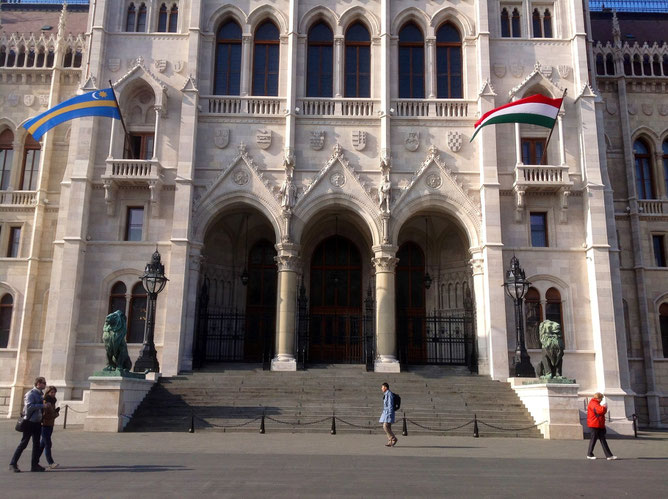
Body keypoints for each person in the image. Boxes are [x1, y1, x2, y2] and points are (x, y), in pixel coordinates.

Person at [9, 377, 47, 472]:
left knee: (36, 444)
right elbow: (29, 407)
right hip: (29, 422)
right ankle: (13, 463)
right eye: (43, 383)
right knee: (24, 443)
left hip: (37, 422)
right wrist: (42, 405)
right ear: (38, 383)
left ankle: (34, 465)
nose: (45, 384)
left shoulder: (40, 394)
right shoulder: (30, 394)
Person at [586, 392, 618, 460]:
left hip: (597, 424)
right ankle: (590, 454)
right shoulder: (594, 403)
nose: (601, 400)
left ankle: (608, 455)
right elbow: (600, 411)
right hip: (595, 424)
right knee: (595, 440)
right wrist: (604, 407)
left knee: (600, 440)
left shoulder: (593, 403)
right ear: (598, 398)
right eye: (601, 398)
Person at [39, 386, 60, 470]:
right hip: (44, 425)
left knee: (42, 444)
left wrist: (54, 412)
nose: (53, 394)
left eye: (54, 392)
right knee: (48, 444)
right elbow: (46, 415)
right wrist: (56, 414)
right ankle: (50, 463)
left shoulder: (52, 401)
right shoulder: (46, 401)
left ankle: (35, 460)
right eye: (52, 392)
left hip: (50, 425)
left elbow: (51, 414)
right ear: (48, 393)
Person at [379, 382, 397, 447]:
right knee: (388, 427)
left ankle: (393, 438)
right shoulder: (386, 394)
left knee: (385, 426)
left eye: (382, 387)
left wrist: (389, 414)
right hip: (386, 413)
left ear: (385, 388)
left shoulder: (389, 394)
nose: (381, 388)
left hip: (388, 413)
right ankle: (390, 442)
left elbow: (390, 405)